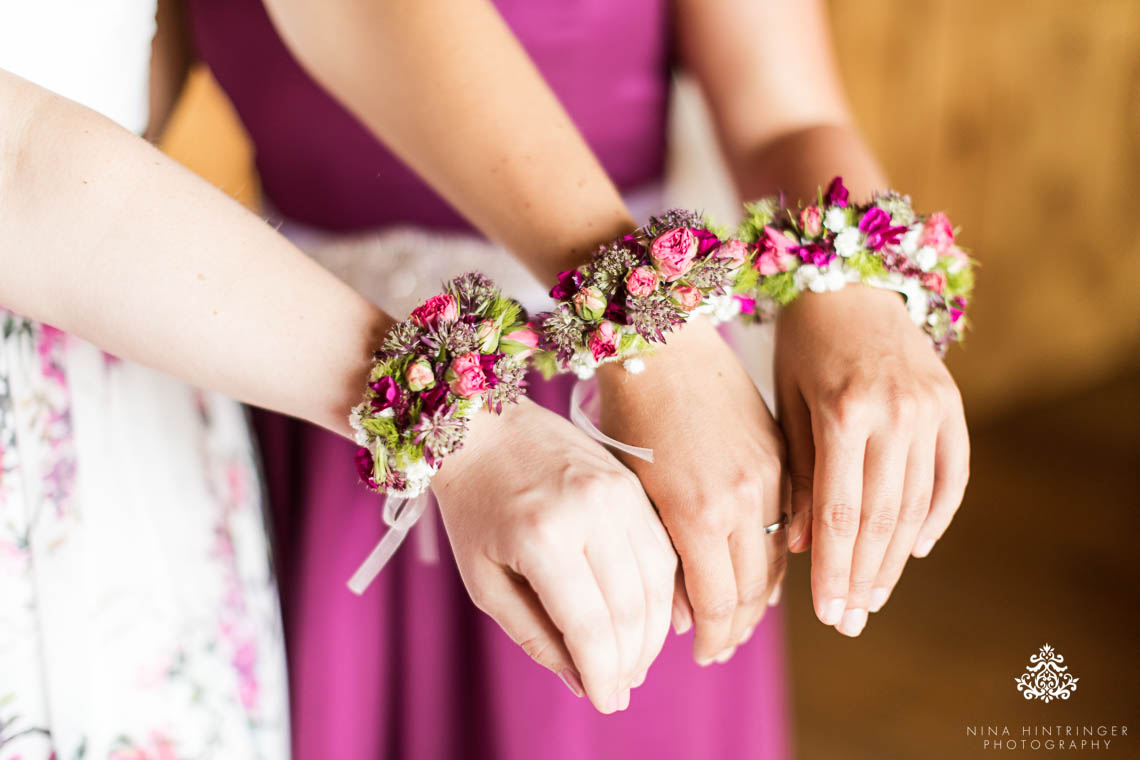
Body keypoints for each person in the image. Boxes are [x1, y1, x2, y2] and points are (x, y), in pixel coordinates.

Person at [184, 0, 970, 757]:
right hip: (338, 413)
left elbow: (784, 110)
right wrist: (648, 326)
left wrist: (858, 284)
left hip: (648, 429)